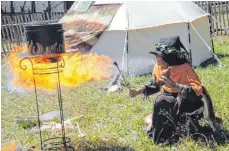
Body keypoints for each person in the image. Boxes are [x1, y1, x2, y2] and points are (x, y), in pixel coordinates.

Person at [129, 36, 211, 144]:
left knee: (162, 102)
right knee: (160, 102)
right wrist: (138, 91)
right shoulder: (159, 66)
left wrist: (177, 86)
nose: (157, 58)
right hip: (169, 99)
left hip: (187, 103)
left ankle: (167, 136)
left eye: (160, 56)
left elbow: (197, 92)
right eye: (157, 56)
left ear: (168, 58)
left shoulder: (184, 68)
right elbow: (156, 84)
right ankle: (161, 133)